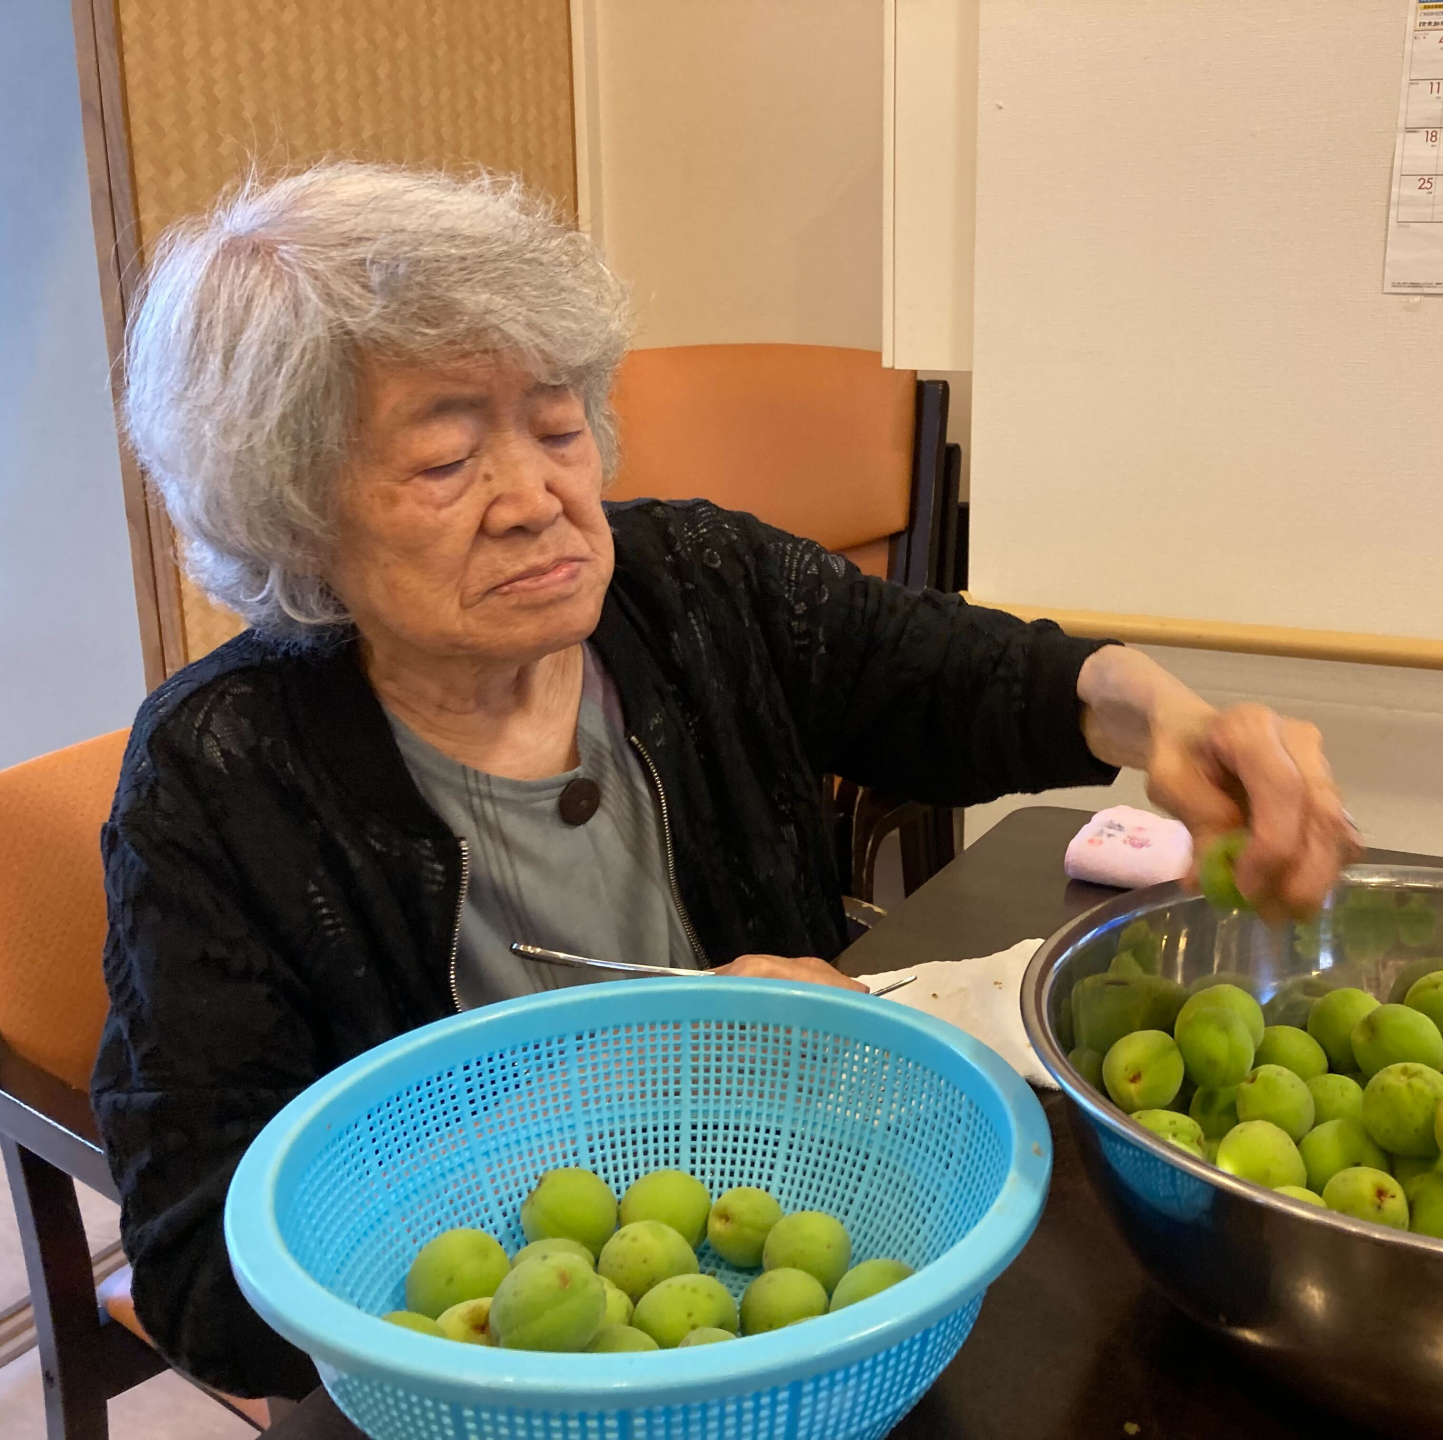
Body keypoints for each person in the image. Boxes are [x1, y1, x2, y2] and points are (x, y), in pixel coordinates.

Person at [92, 163, 1358, 1397]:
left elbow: (955, 678)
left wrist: (1159, 714)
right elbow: (206, 1281)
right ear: (292, 512)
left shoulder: (695, 587)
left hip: (799, 1282)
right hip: (490, 1377)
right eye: (443, 461)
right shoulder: (219, 777)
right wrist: (667, 1067)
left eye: (558, 426)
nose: (538, 497)